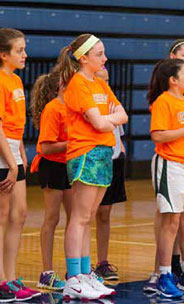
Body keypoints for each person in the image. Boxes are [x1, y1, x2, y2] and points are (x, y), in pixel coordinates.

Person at [58, 33, 128, 301]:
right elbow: (100, 124)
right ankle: (73, 278)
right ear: (83, 58)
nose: (105, 58)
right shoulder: (78, 85)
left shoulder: (99, 83)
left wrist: (105, 119)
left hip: (103, 152)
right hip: (85, 153)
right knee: (79, 217)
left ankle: (86, 274)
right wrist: (107, 120)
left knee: (88, 218)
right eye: (99, 54)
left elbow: (123, 116)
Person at [148, 59, 184, 298]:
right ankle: (164, 275)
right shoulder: (163, 101)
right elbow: (158, 135)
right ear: (173, 80)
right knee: (170, 223)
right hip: (169, 166)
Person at [0, 27, 41, 301]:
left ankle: (12, 278)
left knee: (20, 214)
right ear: (3, 54)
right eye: (19, 50)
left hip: (14, 149)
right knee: (2, 216)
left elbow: (16, 124)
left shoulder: (15, 80)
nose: (25, 54)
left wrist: (21, 153)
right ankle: (1, 280)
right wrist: (10, 162)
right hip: (2, 151)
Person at [30, 65, 71, 291]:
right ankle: (46, 273)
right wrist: (73, 142)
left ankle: (74, 271)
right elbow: (45, 147)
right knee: (52, 219)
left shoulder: (74, 107)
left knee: (75, 220)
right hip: (52, 166)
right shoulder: (53, 109)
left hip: (71, 165)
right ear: (63, 85)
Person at [93, 67, 127, 281]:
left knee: (105, 215)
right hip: (94, 161)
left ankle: (102, 262)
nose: (105, 84)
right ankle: (81, 266)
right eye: (100, 80)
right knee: (84, 216)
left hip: (113, 160)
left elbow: (119, 129)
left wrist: (121, 149)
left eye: (107, 80)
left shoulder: (112, 101)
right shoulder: (89, 103)